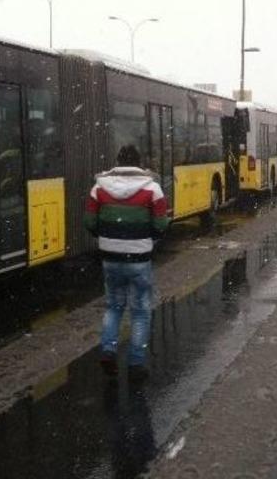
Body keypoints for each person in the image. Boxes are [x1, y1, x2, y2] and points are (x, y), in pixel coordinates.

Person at [84, 145, 170, 380]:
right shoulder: (153, 189)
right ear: (139, 164)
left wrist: (108, 237)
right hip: (139, 258)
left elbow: (90, 222)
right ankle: (135, 363)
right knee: (140, 311)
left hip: (110, 257)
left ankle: (108, 350)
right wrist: (148, 237)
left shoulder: (98, 188)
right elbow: (161, 225)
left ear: (118, 162)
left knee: (113, 306)